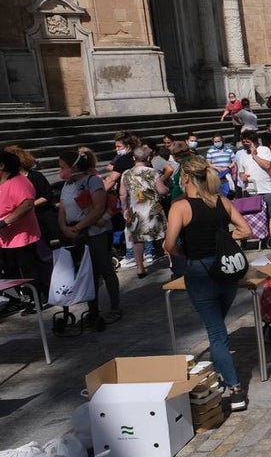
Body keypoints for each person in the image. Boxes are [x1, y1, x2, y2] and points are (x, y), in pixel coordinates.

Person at [163, 156, 252, 411]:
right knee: (217, 329)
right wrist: (223, 239)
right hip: (226, 270)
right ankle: (222, 373)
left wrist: (183, 251)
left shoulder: (180, 207)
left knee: (216, 333)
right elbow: (246, 231)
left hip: (200, 271)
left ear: (187, 178)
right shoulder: (222, 201)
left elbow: (169, 245)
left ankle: (235, 389)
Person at [58, 149, 120, 328]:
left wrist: (79, 227)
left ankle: (114, 308)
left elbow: (99, 208)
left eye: (63, 167)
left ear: (74, 167)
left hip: (95, 232)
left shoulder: (92, 181)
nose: (60, 171)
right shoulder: (68, 185)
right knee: (87, 271)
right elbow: (62, 208)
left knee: (104, 268)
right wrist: (64, 227)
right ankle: (93, 310)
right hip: (76, 232)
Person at [0, 150, 46, 302]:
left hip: (21, 236)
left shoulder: (19, 181)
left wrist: (5, 222)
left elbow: (26, 205)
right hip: (4, 239)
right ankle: (15, 299)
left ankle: (34, 299)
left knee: (28, 269)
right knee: (9, 271)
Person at [119, 146, 168, 278]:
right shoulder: (153, 172)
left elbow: (122, 195)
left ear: (134, 158)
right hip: (153, 209)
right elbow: (162, 190)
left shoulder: (126, 174)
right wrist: (166, 189)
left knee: (137, 240)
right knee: (163, 236)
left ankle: (140, 268)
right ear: (148, 158)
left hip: (135, 211)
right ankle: (172, 262)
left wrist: (124, 209)